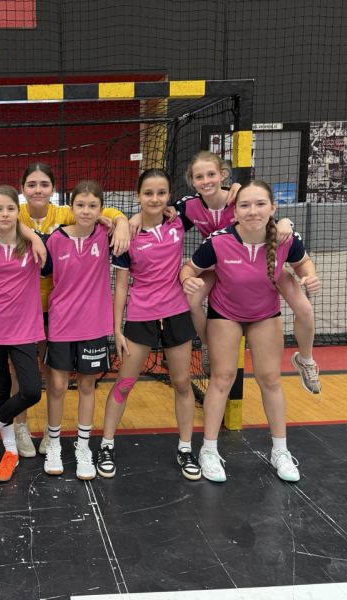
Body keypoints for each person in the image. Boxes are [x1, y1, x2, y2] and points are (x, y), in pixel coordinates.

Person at [0, 163, 131, 458]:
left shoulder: (65, 213)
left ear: (53, 188)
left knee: (52, 374)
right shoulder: (13, 211)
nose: (38, 190)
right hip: (20, 310)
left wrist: (123, 221)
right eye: (32, 184)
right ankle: (21, 428)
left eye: (44, 184)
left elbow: (104, 211)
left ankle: (53, 435)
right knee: (18, 373)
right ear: (22, 189)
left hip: (57, 309)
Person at [179, 180, 321, 483]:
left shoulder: (285, 238)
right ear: (235, 211)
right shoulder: (218, 241)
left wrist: (310, 276)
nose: (252, 211)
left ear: (273, 208)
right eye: (244, 205)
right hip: (225, 315)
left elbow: (304, 263)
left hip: (264, 315)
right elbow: (189, 268)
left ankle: (280, 450)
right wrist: (187, 279)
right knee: (222, 378)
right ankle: (208, 450)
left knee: (270, 380)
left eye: (260, 204)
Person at [174, 152, 320, 394]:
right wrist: (129, 220)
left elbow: (265, 214)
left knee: (304, 308)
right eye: (199, 177)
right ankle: (208, 345)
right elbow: (162, 215)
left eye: (211, 174)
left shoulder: (237, 197)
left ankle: (306, 360)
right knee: (191, 300)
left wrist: (286, 221)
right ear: (192, 180)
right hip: (219, 264)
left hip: (262, 263)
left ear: (223, 174)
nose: (206, 181)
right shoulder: (189, 206)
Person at [98, 170, 201, 481]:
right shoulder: (127, 236)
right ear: (137, 196)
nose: (155, 199)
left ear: (169, 195)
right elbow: (121, 286)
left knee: (182, 383)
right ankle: (106, 445)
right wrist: (117, 329)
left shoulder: (179, 220)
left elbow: (215, 200)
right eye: (148, 193)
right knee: (125, 382)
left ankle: (185, 448)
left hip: (176, 312)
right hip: (140, 316)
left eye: (161, 193)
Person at [0, 185, 48, 482]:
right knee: (1, 390)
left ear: (19, 211)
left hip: (24, 329)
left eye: (10, 208)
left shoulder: (33, 243)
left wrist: (33, 236)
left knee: (31, 391)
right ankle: (10, 452)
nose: (5, 214)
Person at [41, 181, 113, 480]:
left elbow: (128, 220)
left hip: (94, 324)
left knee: (87, 386)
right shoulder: (55, 240)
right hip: (61, 323)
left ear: (100, 209)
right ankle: (54, 444)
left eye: (92, 206)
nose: (86, 210)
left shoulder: (106, 235)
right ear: (71, 207)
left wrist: (120, 222)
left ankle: (83, 448)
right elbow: (39, 272)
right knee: (57, 386)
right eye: (80, 205)